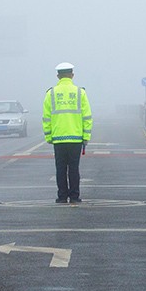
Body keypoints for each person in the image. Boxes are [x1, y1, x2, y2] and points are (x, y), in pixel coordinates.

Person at [42, 62, 92, 204]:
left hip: (58, 139)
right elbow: (87, 117)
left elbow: (46, 118)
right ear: (72, 75)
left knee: (60, 169)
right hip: (76, 138)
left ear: (58, 76)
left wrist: (49, 136)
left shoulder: (51, 93)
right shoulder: (80, 93)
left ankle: (62, 196)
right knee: (74, 169)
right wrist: (86, 136)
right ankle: (74, 196)